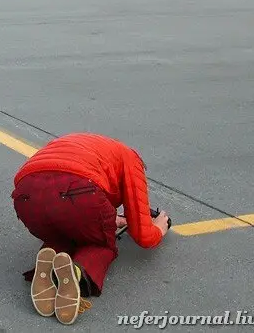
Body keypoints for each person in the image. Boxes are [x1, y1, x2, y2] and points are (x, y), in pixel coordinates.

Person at [11, 133, 171, 325]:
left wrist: (111, 219)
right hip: (79, 191)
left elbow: (55, 186)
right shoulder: (131, 159)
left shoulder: (85, 145)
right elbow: (142, 235)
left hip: (26, 194)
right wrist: (160, 228)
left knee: (66, 233)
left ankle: (50, 256)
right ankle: (75, 273)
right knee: (101, 244)